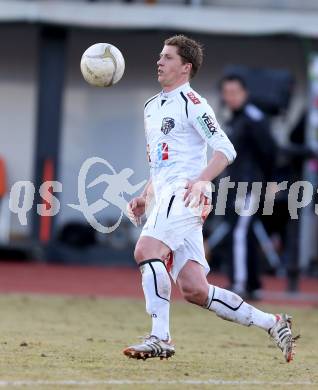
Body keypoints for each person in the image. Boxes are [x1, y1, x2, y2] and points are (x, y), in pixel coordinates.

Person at [124, 35, 295, 362]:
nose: (159, 62)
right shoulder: (150, 107)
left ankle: (160, 337)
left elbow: (225, 150)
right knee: (195, 289)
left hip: (186, 196)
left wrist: (200, 181)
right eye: (160, 56)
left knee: (146, 250)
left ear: (186, 67)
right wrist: (146, 195)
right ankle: (272, 323)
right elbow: (160, 162)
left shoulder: (194, 103)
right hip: (165, 195)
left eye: (168, 57)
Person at [220, 74, 277, 298]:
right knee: (246, 232)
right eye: (226, 93)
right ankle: (253, 283)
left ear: (245, 93)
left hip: (249, 185)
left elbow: (270, 151)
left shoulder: (254, 118)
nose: (230, 97)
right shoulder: (233, 119)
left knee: (239, 233)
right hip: (234, 185)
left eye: (234, 92)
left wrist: (269, 181)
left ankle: (239, 283)